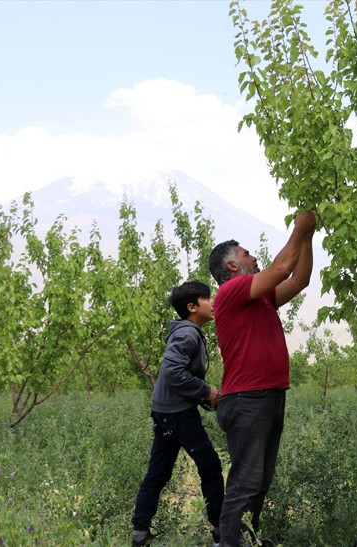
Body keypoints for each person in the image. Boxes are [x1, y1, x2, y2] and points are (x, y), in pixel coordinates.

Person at [208, 210, 316, 546]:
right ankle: (227, 543)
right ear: (232, 266)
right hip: (247, 400)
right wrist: (300, 226)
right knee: (245, 482)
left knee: (259, 480)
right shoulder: (231, 292)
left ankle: (245, 538)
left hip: (266, 396)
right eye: (246, 254)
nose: (253, 257)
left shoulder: (258, 297)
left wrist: (309, 236)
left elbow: (299, 280)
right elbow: (282, 268)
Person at [131, 281, 224, 547]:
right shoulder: (189, 334)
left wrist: (206, 398)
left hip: (165, 412)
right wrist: (206, 391)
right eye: (208, 298)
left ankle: (140, 532)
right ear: (192, 307)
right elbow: (172, 373)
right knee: (210, 465)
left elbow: (180, 376)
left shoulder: (187, 332)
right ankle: (221, 531)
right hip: (178, 415)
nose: (214, 302)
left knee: (158, 472)